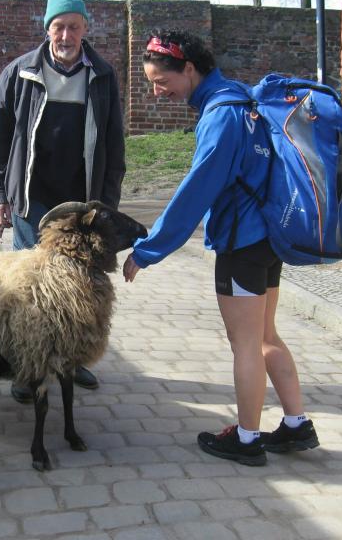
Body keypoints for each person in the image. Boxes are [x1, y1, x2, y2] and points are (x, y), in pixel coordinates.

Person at [122, 30, 319, 466]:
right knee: (265, 335)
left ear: (189, 69)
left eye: (161, 81)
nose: (157, 92)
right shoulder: (244, 99)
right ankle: (296, 424)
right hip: (268, 239)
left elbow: (196, 192)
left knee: (245, 343)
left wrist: (148, 250)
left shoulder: (221, 116)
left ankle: (246, 439)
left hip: (241, 243)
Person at [0, 0, 126, 403]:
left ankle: (70, 360)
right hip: (32, 199)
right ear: (47, 28)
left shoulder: (102, 76)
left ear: (85, 29)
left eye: (74, 27)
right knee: (28, 292)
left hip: (81, 206)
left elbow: (114, 145)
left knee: (78, 288)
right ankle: (25, 369)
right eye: (59, 27)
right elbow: (0, 138)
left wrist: (107, 205)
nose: (66, 36)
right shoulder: (19, 73)